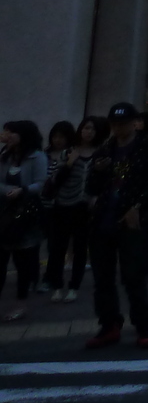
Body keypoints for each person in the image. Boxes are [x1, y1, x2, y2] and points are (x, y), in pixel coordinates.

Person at [85, 103, 148, 349]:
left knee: (133, 276)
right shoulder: (105, 149)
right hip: (104, 220)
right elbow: (92, 187)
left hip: (134, 222)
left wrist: (138, 206)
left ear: (134, 122)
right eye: (114, 124)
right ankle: (109, 325)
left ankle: (142, 326)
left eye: (123, 123)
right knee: (102, 278)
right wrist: (97, 172)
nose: (118, 128)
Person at [0, 120, 48, 322]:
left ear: (23, 135)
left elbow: (41, 183)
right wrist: (6, 191)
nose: (6, 135)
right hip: (2, 214)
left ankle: (21, 304)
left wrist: (23, 190)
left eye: (11, 132)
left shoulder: (37, 157)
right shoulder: (4, 156)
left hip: (25, 216)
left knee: (23, 263)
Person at [44, 119, 96, 301]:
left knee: (80, 249)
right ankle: (57, 286)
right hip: (62, 205)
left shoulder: (99, 155)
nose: (89, 132)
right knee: (58, 248)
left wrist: (94, 197)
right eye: (86, 128)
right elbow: (55, 179)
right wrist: (69, 164)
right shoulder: (69, 152)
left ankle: (74, 286)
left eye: (93, 129)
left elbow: (101, 181)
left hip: (84, 208)